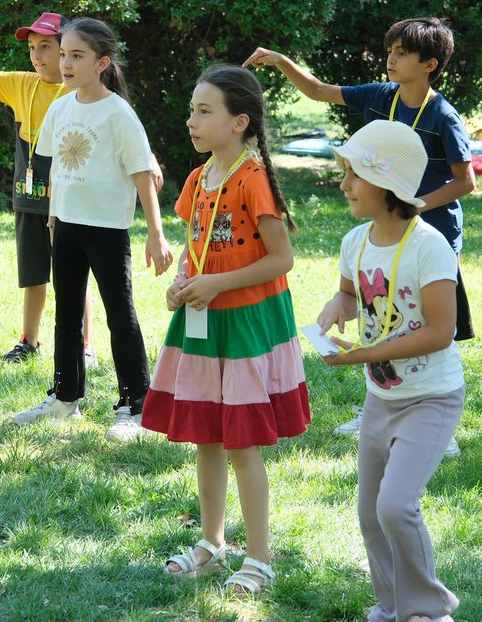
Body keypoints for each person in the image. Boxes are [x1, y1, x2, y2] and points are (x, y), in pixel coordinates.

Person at [244, 17, 473, 454]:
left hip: (430, 231)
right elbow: (318, 90)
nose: (391, 58)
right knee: (380, 311)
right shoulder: (379, 95)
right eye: (391, 49)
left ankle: (438, 420)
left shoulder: (443, 115)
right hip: (386, 229)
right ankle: (379, 405)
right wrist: (282, 62)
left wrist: (419, 205)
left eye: (402, 53)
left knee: (425, 323)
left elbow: (466, 181)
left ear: (429, 64)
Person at [142, 65, 310, 597]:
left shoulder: (253, 179)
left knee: (242, 443)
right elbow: (195, 253)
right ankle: (212, 544)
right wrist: (184, 284)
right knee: (206, 437)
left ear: (240, 122)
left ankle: (259, 558)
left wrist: (218, 284)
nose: (191, 119)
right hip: (204, 322)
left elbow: (281, 259)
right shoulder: (197, 180)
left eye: (204, 111)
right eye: (192, 109)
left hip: (246, 325)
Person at [0, 12, 150, 367]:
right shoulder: (23, 83)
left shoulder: (81, 94)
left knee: (74, 276)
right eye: (33, 48)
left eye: (47, 47)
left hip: (71, 195)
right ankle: (28, 341)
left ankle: (85, 345)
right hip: (30, 193)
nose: (39, 56)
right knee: (33, 271)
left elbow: (126, 137)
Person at [317, 120, 464, 622]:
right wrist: (337, 308)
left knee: (396, 507)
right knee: (370, 513)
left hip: (431, 398)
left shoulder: (430, 247)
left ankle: (429, 609)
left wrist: (363, 355)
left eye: (353, 175)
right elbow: (349, 293)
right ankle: (393, 605)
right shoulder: (355, 241)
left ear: (387, 186)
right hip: (381, 400)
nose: (344, 185)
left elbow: (441, 331)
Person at [12, 18, 174, 440]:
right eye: (63, 54)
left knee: (121, 317)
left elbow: (142, 175)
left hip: (106, 230)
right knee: (66, 315)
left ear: (102, 62)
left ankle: (135, 405)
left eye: (76, 56)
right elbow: (54, 171)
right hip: (65, 227)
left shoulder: (119, 114)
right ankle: (66, 398)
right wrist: (51, 219)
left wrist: (155, 234)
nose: (65, 63)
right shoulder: (60, 107)